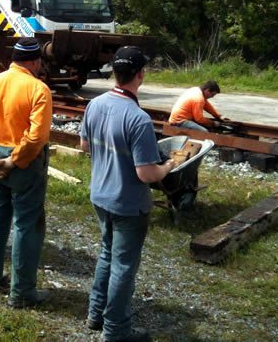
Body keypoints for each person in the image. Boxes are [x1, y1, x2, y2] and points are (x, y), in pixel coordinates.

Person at [80, 46, 177, 342]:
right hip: (128, 204)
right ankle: (116, 330)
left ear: (114, 73)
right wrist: (170, 165)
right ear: (140, 75)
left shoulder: (94, 104)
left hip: (100, 195)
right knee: (123, 265)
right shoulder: (138, 118)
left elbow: (85, 146)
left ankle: (96, 314)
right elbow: (147, 174)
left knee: (107, 254)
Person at [0, 37, 53, 309]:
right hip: (24, 162)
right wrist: (16, 161)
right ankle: (22, 293)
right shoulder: (39, 90)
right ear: (34, 61)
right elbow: (37, 136)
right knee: (27, 224)